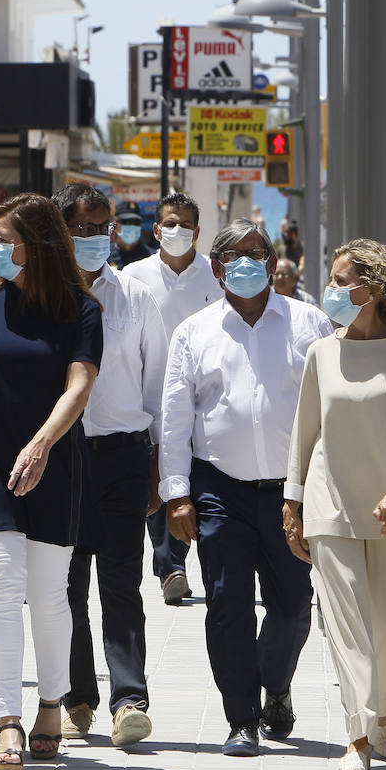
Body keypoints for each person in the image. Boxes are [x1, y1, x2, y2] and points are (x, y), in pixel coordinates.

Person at [0, 193, 103, 770]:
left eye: (6, 239)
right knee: (2, 590)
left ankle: (51, 703)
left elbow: (78, 388)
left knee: (51, 597)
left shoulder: (81, 311)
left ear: (36, 244)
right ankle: (6, 718)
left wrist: (41, 444)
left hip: (52, 463)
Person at [160, 217, 334, 757]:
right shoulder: (194, 331)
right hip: (219, 489)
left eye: (258, 253)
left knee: (292, 607)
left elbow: (332, 408)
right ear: (216, 269)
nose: (249, 263)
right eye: (236, 256)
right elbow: (174, 417)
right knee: (227, 605)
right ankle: (241, 717)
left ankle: (274, 686)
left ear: (274, 261)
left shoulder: (310, 324)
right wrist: (177, 492)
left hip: (293, 491)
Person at [285, 239, 386, 770]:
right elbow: (304, 434)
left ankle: (385, 707)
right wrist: (293, 502)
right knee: (347, 622)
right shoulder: (322, 352)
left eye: (340, 278)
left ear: (368, 289)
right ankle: (358, 732)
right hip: (330, 499)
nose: (331, 289)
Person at [51, 184, 166, 747]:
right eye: (83, 227)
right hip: (62, 460)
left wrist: (159, 469)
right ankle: (76, 698)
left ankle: (129, 699)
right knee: (65, 590)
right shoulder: (39, 298)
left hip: (122, 457)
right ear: (59, 230)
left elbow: (158, 386)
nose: (96, 237)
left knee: (121, 584)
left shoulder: (136, 297)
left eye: (104, 227)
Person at [120, 191, 221, 604]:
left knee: (202, 479)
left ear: (198, 232)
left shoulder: (215, 276)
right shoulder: (134, 275)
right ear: (156, 229)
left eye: (185, 225)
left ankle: (209, 562)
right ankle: (171, 567)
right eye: (169, 224)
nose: (177, 231)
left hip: (206, 397)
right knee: (159, 479)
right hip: (150, 396)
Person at [111, 201, 152, 270]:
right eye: (126, 222)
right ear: (115, 225)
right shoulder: (105, 256)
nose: (132, 226)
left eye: (136, 222)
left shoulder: (151, 257)